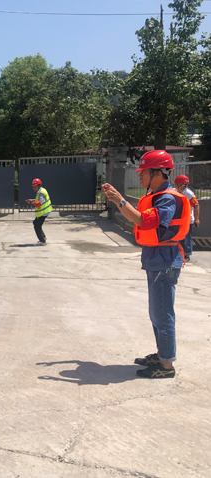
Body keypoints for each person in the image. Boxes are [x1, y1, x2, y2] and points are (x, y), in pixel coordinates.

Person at [102, 150, 191, 379]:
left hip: (165, 260)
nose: (139, 175)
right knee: (156, 312)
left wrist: (119, 200)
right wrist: (118, 200)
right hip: (156, 258)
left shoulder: (167, 198)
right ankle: (162, 354)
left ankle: (166, 365)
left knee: (162, 313)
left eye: (143, 172)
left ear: (158, 173)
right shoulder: (156, 195)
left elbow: (145, 221)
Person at [172, 175, 200, 262]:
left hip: (188, 220)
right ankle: (180, 253)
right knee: (179, 237)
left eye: (176, 184)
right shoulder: (175, 191)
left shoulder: (189, 194)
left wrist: (196, 219)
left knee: (187, 238)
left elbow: (196, 205)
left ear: (180, 184)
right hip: (179, 219)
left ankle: (187, 254)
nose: (175, 185)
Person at [26, 178, 52, 245]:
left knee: (37, 226)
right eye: (33, 187)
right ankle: (43, 237)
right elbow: (39, 200)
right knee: (36, 223)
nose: (34, 188)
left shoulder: (41, 193)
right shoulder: (42, 190)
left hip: (43, 212)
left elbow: (39, 203)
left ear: (39, 186)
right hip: (45, 211)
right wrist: (33, 200)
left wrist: (31, 202)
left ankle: (42, 241)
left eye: (35, 186)